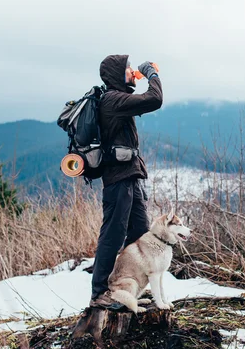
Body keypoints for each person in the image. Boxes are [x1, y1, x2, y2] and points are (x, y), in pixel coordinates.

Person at [89, 54, 163, 308]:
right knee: (113, 234)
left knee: (141, 233)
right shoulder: (112, 100)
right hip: (118, 178)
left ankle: (131, 289)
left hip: (130, 176)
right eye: (128, 69)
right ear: (116, 74)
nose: (132, 72)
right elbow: (154, 99)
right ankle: (100, 293)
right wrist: (151, 75)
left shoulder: (119, 98)